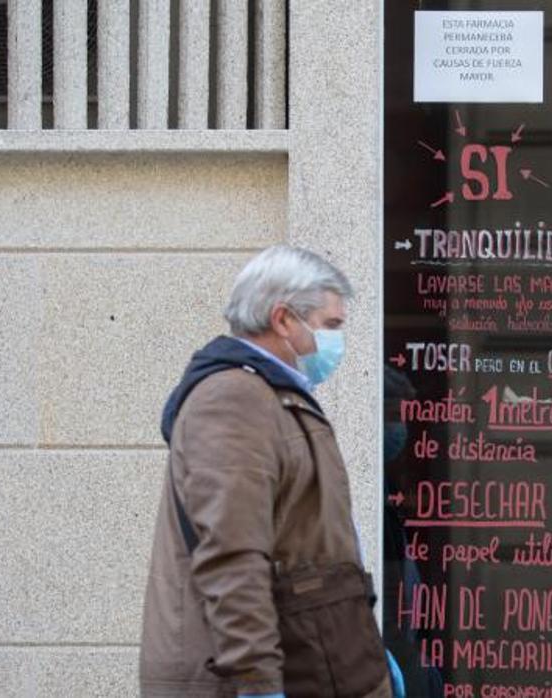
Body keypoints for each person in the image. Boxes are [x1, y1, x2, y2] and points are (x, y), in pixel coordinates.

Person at [140, 245, 391, 697]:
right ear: (283, 320)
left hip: (310, 664)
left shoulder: (269, 395)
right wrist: (257, 685)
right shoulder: (233, 399)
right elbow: (233, 558)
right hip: (259, 677)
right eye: (331, 325)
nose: (338, 342)